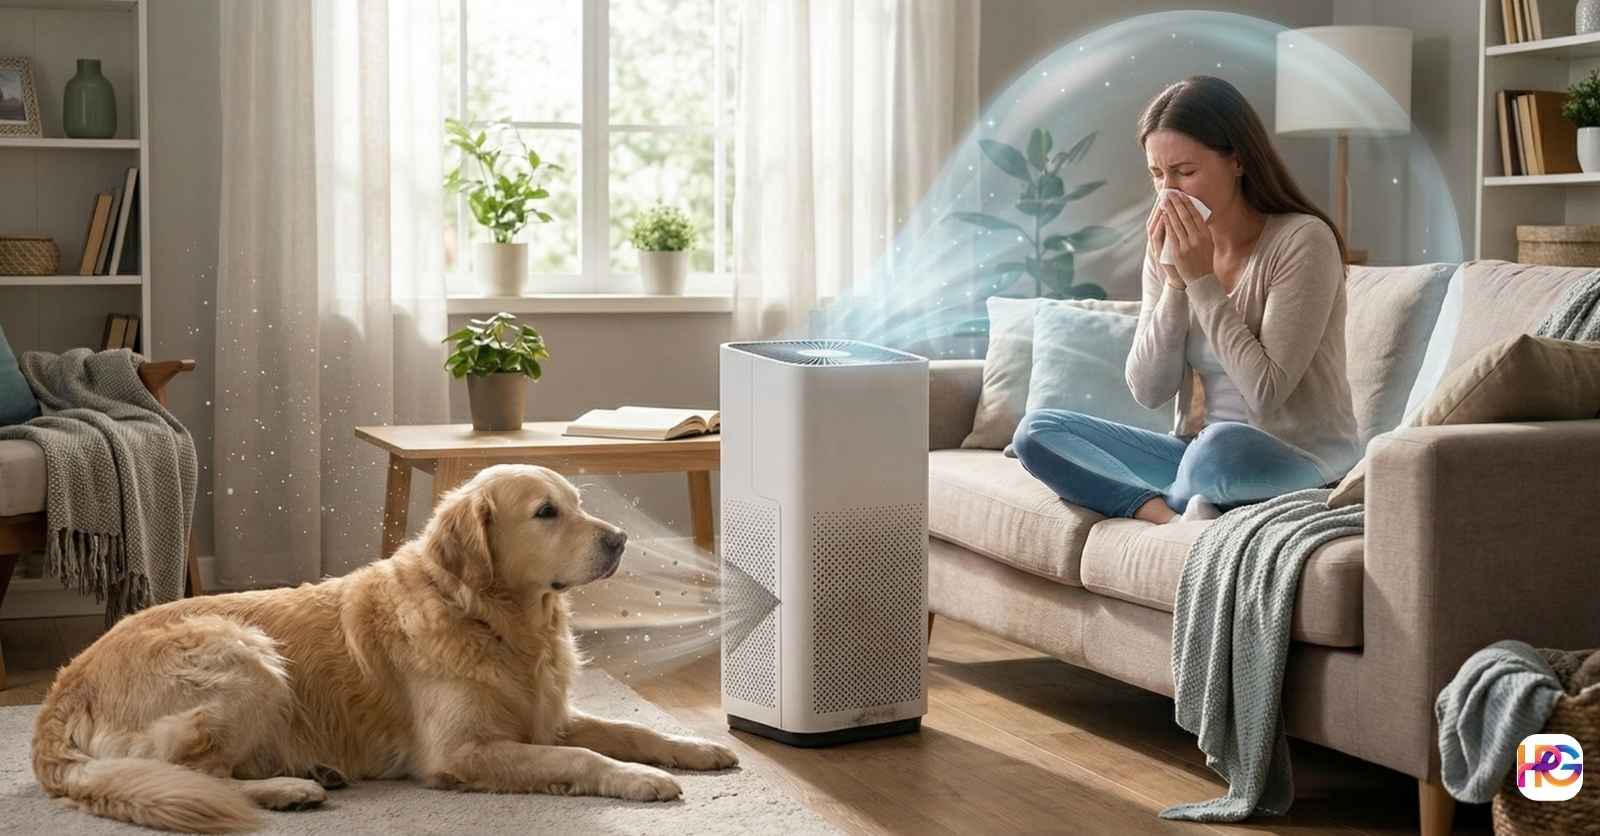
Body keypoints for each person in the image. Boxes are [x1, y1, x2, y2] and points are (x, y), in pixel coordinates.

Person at [1011, 75, 1359, 525]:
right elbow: (1149, 389)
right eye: (1157, 174)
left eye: (1185, 172)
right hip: (1196, 454)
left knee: (1218, 446)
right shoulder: (1169, 245)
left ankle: (1174, 499)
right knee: (1037, 432)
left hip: (1297, 461)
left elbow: (1265, 392)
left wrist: (1201, 279)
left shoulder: (1302, 240)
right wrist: (1175, 283)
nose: (1168, 192)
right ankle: (1171, 516)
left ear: (1237, 160)